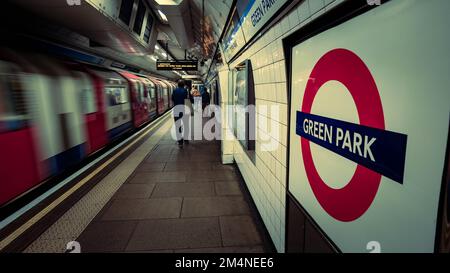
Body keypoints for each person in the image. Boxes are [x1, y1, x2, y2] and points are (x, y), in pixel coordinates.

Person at [172, 79, 189, 147]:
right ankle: (186, 139)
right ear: (183, 85)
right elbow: (187, 99)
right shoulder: (185, 90)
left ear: (178, 84)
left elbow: (172, 99)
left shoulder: (174, 90)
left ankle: (180, 142)